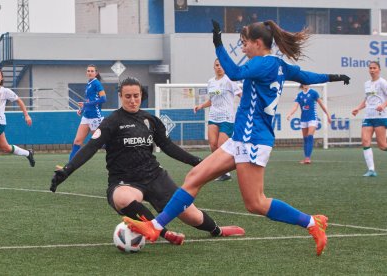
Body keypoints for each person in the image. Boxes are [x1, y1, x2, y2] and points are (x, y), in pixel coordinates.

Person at [123, 20, 350, 256]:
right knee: (194, 177)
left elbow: (235, 72)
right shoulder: (278, 65)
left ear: (258, 43)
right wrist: (334, 76)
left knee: (256, 203)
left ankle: (312, 223)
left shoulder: (262, 64)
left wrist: (218, 43)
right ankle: (154, 227)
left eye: (245, 43)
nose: (242, 48)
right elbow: (306, 75)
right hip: (242, 138)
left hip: (253, 141)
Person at [50, 77, 245, 245]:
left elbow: (168, 147)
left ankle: (217, 230)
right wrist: (67, 170)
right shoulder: (111, 122)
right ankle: (164, 233)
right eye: (128, 96)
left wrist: (198, 161)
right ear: (121, 96)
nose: (133, 100)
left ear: (141, 96)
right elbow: (90, 147)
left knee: (191, 215)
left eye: (136, 96)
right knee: (122, 199)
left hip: (155, 177)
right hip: (125, 180)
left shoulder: (150, 120)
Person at [194, 59, 241, 181]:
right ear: (213, 67)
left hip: (226, 117)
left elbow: (242, 95)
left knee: (222, 146)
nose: (219, 67)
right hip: (213, 117)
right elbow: (212, 100)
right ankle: (222, 172)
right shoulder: (211, 82)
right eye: (216, 65)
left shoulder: (229, 80)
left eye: (221, 65)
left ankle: (228, 170)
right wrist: (200, 106)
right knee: (213, 145)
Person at [352, 61, 387, 177]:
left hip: (380, 116)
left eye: (374, 68)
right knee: (365, 141)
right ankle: (371, 170)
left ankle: (372, 169)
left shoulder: (382, 83)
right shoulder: (366, 83)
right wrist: (358, 108)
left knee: (382, 145)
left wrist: (383, 105)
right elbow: (367, 99)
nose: (372, 70)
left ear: (379, 69)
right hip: (368, 116)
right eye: (370, 68)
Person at [68, 64, 107, 161]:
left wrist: (85, 104)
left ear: (96, 73)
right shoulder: (89, 83)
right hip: (86, 117)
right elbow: (89, 102)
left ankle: (118, 158)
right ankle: (68, 167)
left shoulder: (96, 83)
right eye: (88, 71)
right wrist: (82, 109)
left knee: (102, 143)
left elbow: (103, 99)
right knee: (77, 141)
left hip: (95, 117)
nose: (89, 72)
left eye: (92, 71)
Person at [286, 84, 332, 164]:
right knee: (305, 139)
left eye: (307, 83)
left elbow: (321, 105)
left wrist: (328, 115)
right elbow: (295, 107)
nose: (305, 84)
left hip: (312, 118)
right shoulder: (299, 95)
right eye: (304, 83)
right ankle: (306, 158)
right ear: (302, 84)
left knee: (310, 136)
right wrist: (290, 114)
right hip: (303, 119)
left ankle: (308, 158)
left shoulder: (314, 93)